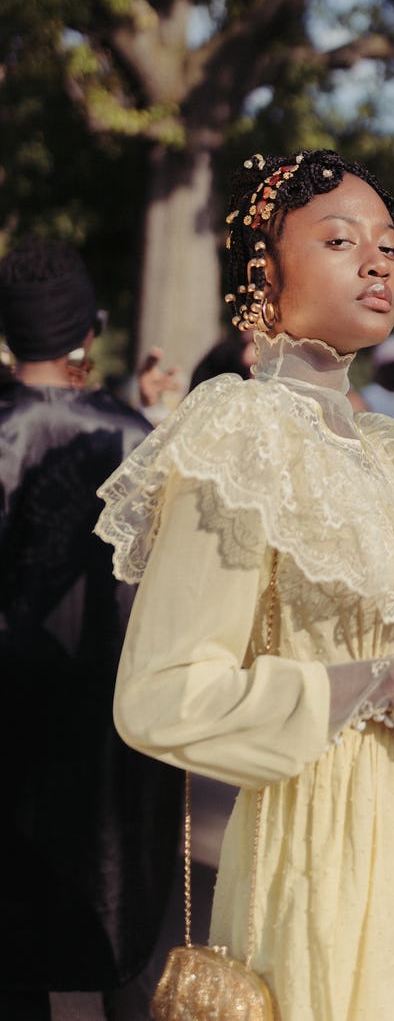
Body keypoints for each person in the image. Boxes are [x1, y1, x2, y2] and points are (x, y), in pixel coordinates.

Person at [95, 149, 394, 1021]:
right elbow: (161, 695)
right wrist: (391, 685)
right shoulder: (241, 436)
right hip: (319, 856)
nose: (376, 263)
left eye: (388, 247)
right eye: (338, 240)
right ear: (265, 274)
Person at [0, 236, 182, 1021]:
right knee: (114, 924)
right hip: (112, 715)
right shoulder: (137, 438)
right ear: (86, 329)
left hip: (10, 721)